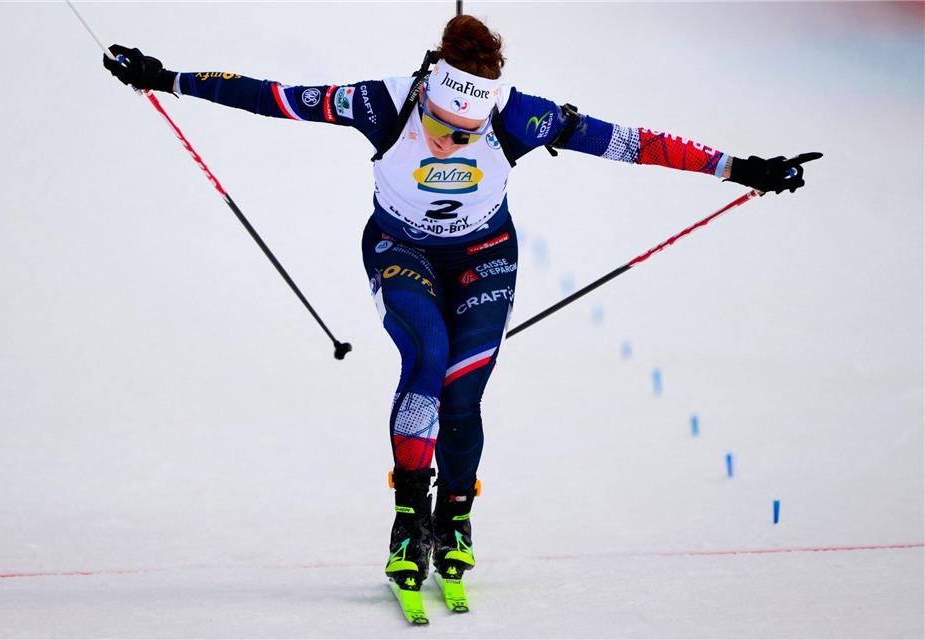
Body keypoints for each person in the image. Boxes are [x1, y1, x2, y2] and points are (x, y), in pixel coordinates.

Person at [103, 15, 815, 595]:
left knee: (463, 395)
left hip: (484, 258)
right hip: (400, 251)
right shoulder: (382, 101)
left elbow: (632, 143)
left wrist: (740, 168)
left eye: (463, 131)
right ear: (428, 92)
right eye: (440, 122)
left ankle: (458, 517)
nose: (449, 136)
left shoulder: (520, 118)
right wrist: (163, 78)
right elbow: (273, 94)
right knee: (427, 359)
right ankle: (409, 517)